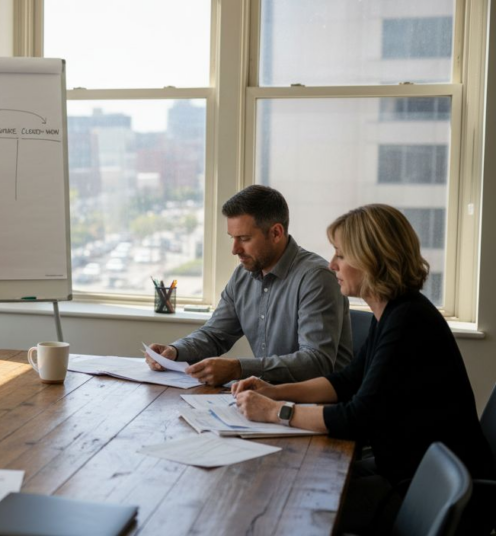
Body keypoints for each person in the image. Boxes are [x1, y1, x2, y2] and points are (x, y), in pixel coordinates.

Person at [233, 204, 495, 534]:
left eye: (341, 255)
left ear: (372, 259)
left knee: (276, 505)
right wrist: (273, 390)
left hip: (419, 490)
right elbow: (346, 381)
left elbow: (356, 418)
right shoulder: (393, 310)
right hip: (405, 470)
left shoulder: (408, 321)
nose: (332, 265)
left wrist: (276, 412)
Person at [146, 185, 353, 386]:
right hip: (266, 396)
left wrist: (238, 369)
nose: (235, 249)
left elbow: (316, 362)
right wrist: (175, 351)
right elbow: (215, 334)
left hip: (319, 406)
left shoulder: (316, 278)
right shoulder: (243, 275)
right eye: (232, 238)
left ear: (276, 233)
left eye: (244, 238)